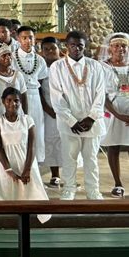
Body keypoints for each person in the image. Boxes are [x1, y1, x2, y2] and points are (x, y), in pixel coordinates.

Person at [49, 31, 107, 200]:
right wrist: (71, 120)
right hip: (69, 124)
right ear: (66, 46)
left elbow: (100, 94)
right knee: (69, 157)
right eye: (72, 45)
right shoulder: (57, 67)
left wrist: (92, 117)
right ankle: (69, 188)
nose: (76, 49)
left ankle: (93, 190)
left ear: (85, 46)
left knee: (91, 158)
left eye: (80, 45)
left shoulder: (95, 66)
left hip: (92, 121)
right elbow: (57, 97)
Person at [0, 88, 49, 204]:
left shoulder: (27, 120)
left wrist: (27, 169)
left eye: (16, 100)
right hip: (5, 163)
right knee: (8, 194)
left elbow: (32, 146)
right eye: (9, 100)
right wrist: (9, 170)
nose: (13, 104)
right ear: (3, 101)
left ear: (21, 102)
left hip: (26, 161)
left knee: (31, 194)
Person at [12, 26, 50, 164]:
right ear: (18, 39)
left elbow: (40, 81)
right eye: (24, 38)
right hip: (16, 98)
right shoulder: (11, 58)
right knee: (19, 129)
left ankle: (35, 163)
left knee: (36, 129)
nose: (28, 41)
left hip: (34, 97)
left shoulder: (40, 60)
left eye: (31, 37)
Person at [100, 33, 129, 197]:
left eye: (123, 45)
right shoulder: (103, 67)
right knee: (114, 146)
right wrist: (119, 115)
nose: (120, 49)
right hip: (113, 112)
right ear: (110, 48)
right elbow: (102, 95)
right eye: (116, 45)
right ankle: (118, 184)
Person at [39, 36, 62, 186]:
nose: (50, 52)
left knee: (66, 142)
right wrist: (47, 109)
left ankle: (70, 174)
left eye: (53, 48)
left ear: (59, 49)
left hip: (66, 109)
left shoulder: (65, 65)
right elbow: (38, 90)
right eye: (46, 49)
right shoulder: (41, 67)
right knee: (51, 141)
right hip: (48, 110)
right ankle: (55, 174)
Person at [0, 44, 28, 116]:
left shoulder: (18, 75)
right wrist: (3, 118)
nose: (8, 57)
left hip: (18, 115)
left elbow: (24, 97)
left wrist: (25, 116)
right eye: (4, 55)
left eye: (9, 54)